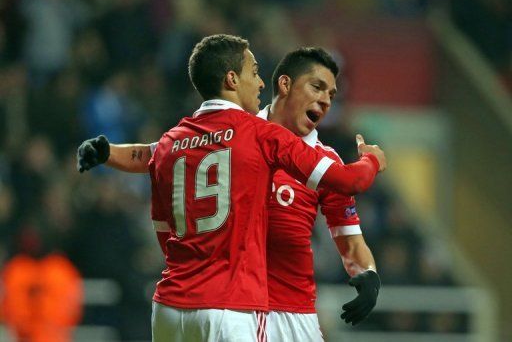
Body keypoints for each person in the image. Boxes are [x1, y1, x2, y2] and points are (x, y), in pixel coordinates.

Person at [77, 34, 386, 342]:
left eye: (332, 94)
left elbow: (151, 154)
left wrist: (367, 273)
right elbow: (354, 179)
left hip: (255, 307)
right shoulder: (260, 136)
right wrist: (372, 159)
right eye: (317, 87)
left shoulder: (182, 139)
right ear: (285, 84)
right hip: (237, 305)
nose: (326, 100)